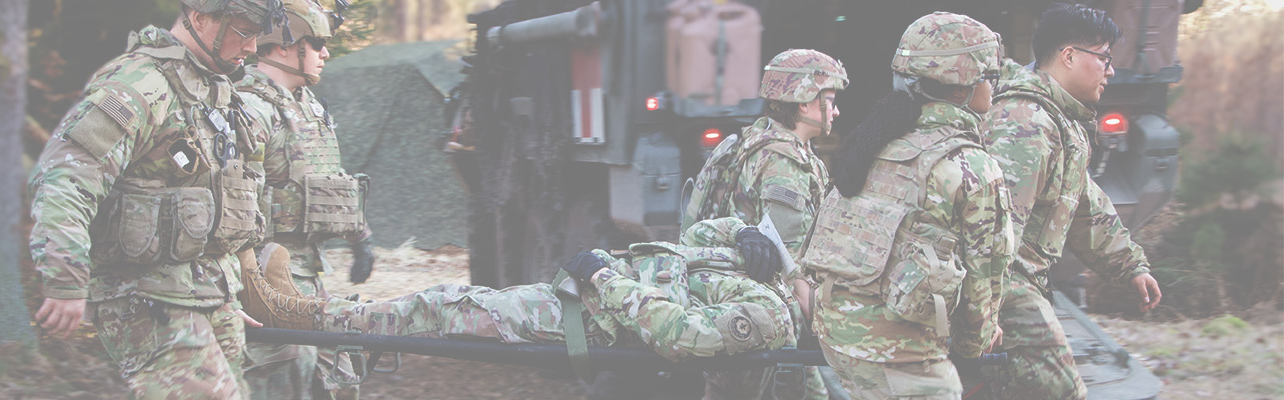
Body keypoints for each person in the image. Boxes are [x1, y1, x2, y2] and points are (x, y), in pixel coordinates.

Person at [244, 217, 804, 400]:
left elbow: (683, 337)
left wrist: (604, 277)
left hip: (585, 319)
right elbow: (699, 231)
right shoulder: (754, 263)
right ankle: (311, 313)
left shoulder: (770, 312)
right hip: (579, 305)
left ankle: (303, 317)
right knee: (441, 305)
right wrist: (747, 229)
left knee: (441, 308)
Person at [28, 0, 285, 397]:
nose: (251, 48)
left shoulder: (215, 90)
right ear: (200, 17)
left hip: (209, 297)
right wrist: (65, 279)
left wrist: (227, 293)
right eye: (243, 33)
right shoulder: (140, 84)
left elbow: (225, 202)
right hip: (147, 298)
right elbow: (67, 176)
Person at [802, 12, 1015, 399]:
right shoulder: (971, 166)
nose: (994, 87)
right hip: (894, 352)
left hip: (836, 335)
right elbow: (988, 273)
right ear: (960, 88)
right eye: (990, 77)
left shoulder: (876, 142)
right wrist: (975, 345)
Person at [982, 4, 1162, 398]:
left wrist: (1130, 265)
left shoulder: (1059, 122)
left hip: (1017, 283)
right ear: (1068, 56)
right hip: (1005, 284)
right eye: (1104, 58)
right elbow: (994, 234)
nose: (1110, 70)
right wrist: (984, 313)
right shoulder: (1025, 123)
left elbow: (1084, 206)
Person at [680, 48, 848, 400]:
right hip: (766, 315)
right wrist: (824, 318)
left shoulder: (759, 140)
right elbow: (789, 258)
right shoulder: (783, 162)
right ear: (803, 103)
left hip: (748, 307)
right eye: (828, 100)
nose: (835, 110)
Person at [233, 0, 374, 398]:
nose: (325, 53)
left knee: (339, 378)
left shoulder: (309, 107)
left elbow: (330, 183)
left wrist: (360, 236)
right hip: (264, 278)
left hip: (309, 273)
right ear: (282, 45)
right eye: (315, 43)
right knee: (284, 377)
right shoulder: (249, 110)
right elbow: (230, 205)